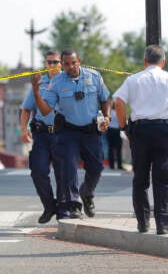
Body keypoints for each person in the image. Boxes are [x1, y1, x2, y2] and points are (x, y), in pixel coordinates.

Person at [114, 44, 168, 235]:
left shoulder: (133, 80)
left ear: (144, 61)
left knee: (140, 178)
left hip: (140, 131)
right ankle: (163, 224)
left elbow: (118, 102)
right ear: (163, 62)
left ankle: (142, 222)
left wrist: (124, 126)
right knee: (162, 178)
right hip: (164, 131)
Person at [32, 49, 110, 219]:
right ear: (62, 64)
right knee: (69, 167)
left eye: (73, 63)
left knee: (96, 167)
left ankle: (87, 192)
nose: (70, 67)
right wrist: (36, 93)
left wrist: (106, 117)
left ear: (79, 61)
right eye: (66, 64)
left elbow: (105, 99)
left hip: (90, 131)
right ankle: (74, 205)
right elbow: (46, 110)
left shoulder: (94, 76)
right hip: (68, 131)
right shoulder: (57, 82)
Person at [20, 50, 67, 222]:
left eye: (55, 62)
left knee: (62, 173)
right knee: (38, 171)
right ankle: (49, 205)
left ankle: (63, 208)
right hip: (41, 134)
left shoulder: (68, 81)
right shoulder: (39, 83)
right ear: (46, 64)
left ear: (61, 63)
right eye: (49, 62)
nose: (52, 66)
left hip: (62, 134)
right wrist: (23, 130)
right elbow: (26, 109)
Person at [107, 100, 123, 170]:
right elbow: (121, 123)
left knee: (110, 148)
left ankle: (111, 165)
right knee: (118, 149)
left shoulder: (109, 112)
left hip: (110, 130)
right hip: (116, 131)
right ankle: (119, 165)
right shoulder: (118, 112)